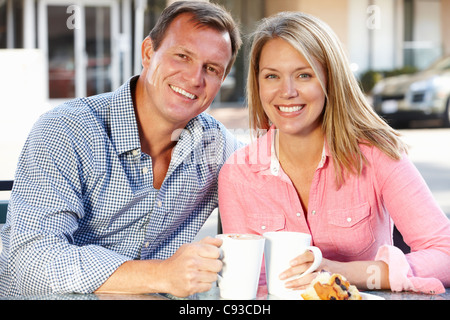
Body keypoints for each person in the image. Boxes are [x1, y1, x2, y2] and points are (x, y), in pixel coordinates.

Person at [0, 1, 242, 297]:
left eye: (212, 68)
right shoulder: (66, 130)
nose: (194, 78)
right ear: (148, 53)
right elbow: (32, 264)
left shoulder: (215, 146)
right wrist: (161, 275)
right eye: (182, 56)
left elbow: (282, 177)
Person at [218, 11, 450, 294]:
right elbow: (248, 287)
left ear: (331, 79)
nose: (287, 91)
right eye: (272, 76)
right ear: (257, 83)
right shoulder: (238, 173)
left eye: (304, 75)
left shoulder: (376, 155)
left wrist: (343, 273)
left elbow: (444, 253)